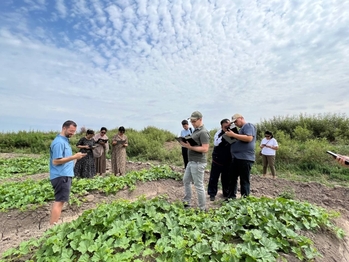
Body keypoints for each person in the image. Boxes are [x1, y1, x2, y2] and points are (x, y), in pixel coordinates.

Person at [49, 120, 87, 225]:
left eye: (74, 131)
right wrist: (74, 157)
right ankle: (53, 227)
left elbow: (64, 158)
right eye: (71, 131)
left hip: (64, 175)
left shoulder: (65, 141)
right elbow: (56, 161)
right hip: (61, 176)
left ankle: (53, 226)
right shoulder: (59, 142)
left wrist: (75, 157)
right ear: (64, 128)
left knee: (60, 201)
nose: (72, 133)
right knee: (59, 201)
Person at [180, 111, 210, 211]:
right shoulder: (195, 130)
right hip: (191, 161)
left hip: (198, 162)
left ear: (200, 119)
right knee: (186, 180)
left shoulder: (203, 132)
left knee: (198, 185)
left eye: (194, 121)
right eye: (191, 121)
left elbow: (205, 149)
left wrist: (190, 147)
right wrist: (185, 144)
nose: (192, 123)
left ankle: (202, 208)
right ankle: (187, 202)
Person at [225, 113, 257, 199]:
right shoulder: (240, 130)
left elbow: (249, 138)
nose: (235, 123)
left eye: (236, 121)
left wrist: (233, 135)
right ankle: (231, 197)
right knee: (232, 178)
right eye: (234, 122)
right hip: (236, 158)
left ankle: (245, 199)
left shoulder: (248, 126)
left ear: (241, 118)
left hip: (245, 158)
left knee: (244, 180)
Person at [207, 119, 234, 201]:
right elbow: (216, 143)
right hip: (217, 159)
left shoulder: (233, 133)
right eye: (226, 125)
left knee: (226, 178)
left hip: (228, 160)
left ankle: (226, 193)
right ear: (222, 126)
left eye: (229, 125)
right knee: (214, 177)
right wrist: (224, 136)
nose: (227, 127)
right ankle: (212, 193)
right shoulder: (218, 133)